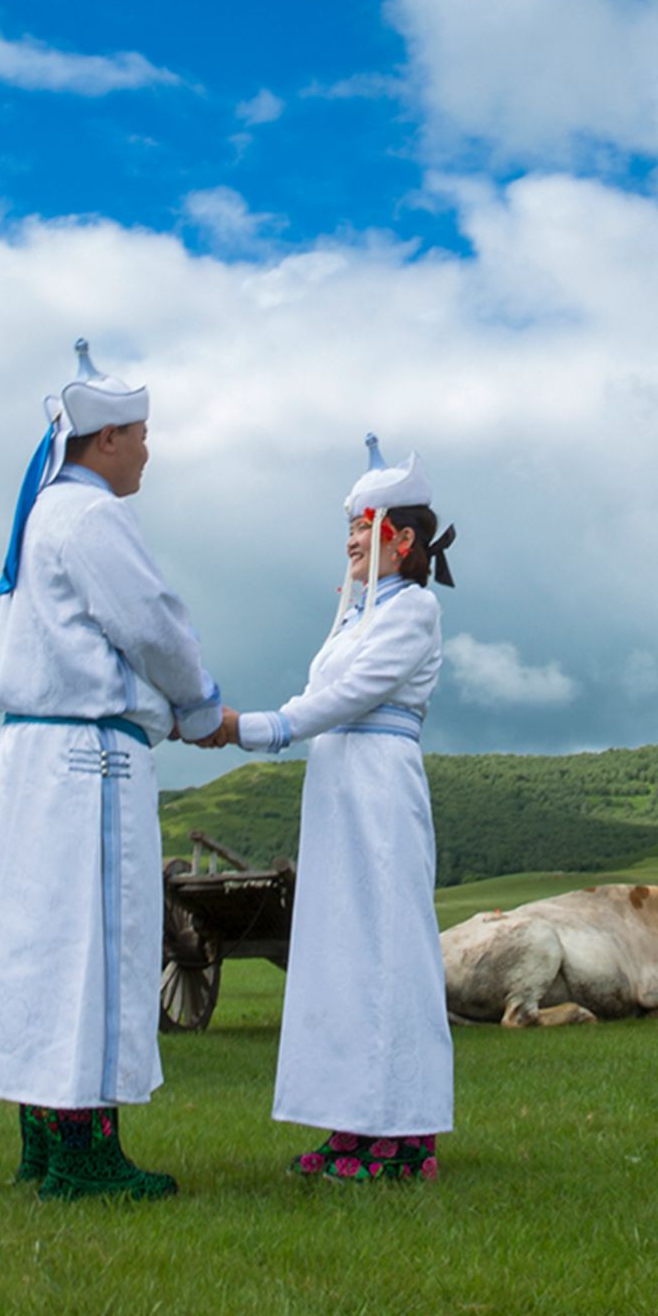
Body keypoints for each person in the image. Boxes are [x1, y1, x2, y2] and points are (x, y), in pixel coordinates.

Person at [0, 341, 226, 1200]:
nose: (148, 449)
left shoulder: (42, 516)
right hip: (86, 762)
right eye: (141, 434)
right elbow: (150, 624)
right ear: (104, 440)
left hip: (28, 757)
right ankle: (85, 1156)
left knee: (35, 947)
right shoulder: (93, 518)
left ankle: (39, 1140)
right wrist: (200, 706)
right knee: (94, 949)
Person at [201, 436, 458, 1182]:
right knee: (340, 950)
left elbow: (345, 697)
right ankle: (352, 1120)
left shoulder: (412, 612)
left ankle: (406, 1133)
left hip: (378, 784)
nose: (349, 540)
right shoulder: (353, 614)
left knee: (386, 948)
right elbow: (328, 694)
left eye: (362, 526)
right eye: (346, 527)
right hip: (338, 788)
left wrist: (256, 726)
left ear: (401, 539)